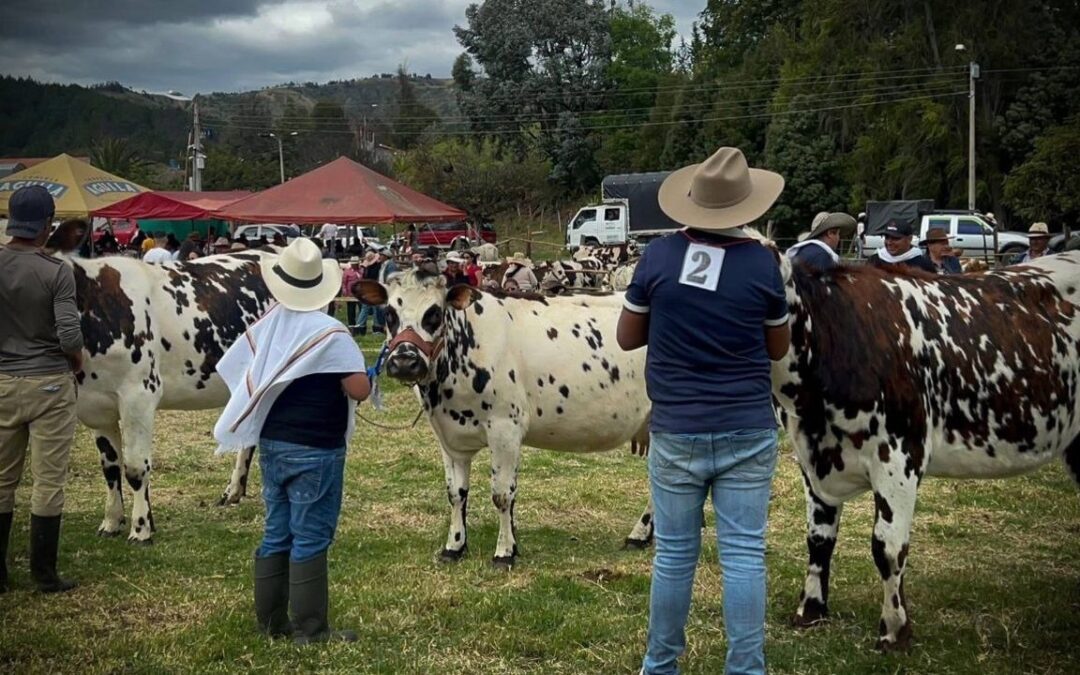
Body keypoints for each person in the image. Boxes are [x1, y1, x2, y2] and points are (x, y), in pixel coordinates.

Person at [616, 147, 790, 675]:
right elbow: (778, 349)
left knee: (673, 556)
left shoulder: (660, 258)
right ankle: (745, 667)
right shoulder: (763, 263)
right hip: (747, 426)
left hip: (677, 428)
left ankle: (661, 664)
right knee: (742, 555)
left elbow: (627, 337)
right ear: (745, 206)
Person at [213, 238, 369, 644]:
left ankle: (271, 622)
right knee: (312, 532)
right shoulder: (332, 334)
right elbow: (358, 390)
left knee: (277, 529)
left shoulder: (270, 326)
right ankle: (310, 629)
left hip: (273, 445)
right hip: (317, 449)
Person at [0, 186, 84, 594]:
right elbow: (69, 334)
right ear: (48, 224)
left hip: (2, 381)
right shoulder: (55, 271)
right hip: (49, 383)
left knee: (1, 481)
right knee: (48, 481)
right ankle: (44, 573)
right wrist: (76, 359)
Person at [785, 211, 856, 272]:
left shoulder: (802, 251)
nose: (839, 238)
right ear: (830, 233)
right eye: (838, 234)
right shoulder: (821, 255)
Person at [868, 220, 937, 273]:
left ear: (909, 239)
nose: (889, 242)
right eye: (887, 237)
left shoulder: (923, 264)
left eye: (895, 238)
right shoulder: (874, 260)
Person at [341, 257, 364, 334]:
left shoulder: (362, 271)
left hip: (360, 293)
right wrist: (345, 292)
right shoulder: (347, 272)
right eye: (353, 264)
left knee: (362, 309)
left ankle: (360, 325)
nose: (354, 265)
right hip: (350, 294)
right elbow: (344, 282)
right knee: (351, 310)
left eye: (356, 264)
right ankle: (351, 325)